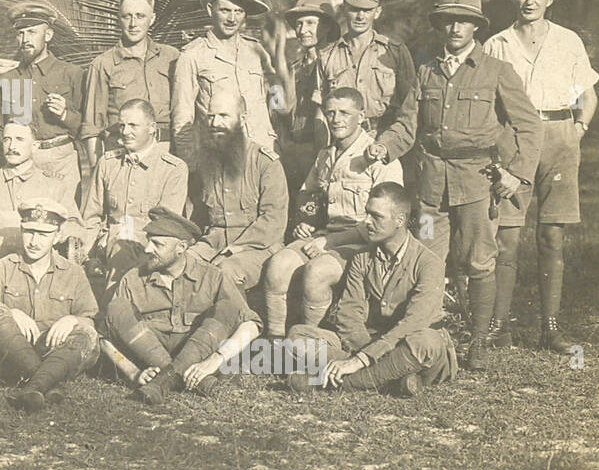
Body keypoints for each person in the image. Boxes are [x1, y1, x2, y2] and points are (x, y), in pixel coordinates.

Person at [372, 0, 541, 370]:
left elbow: (530, 127)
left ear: (476, 27)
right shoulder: (427, 73)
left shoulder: (498, 71)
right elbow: (406, 125)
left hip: (478, 183)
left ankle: (478, 342)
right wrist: (383, 147)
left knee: (480, 261)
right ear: (441, 25)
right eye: (449, 21)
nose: (455, 29)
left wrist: (516, 174)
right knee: (427, 258)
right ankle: (424, 341)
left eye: (464, 21)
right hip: (432, 188)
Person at [483, 0, 598, 352]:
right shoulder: (497, 43)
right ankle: (499, 329)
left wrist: (578, 129)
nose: (530, 0)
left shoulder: (568, 41)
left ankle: (551, 329)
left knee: (552, 235)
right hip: (513, 139)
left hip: (560, 136)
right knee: (507, 237)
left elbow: (588, 93)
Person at [284, 183, 457, 396]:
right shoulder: (362, 258)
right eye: (367, 213)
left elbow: (413, 323)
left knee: (426, 341)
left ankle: (323, 383)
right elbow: (349, 313)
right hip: (372, 343)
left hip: (412, 345)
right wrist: (368, 352)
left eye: (376, 216)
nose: (367, 222)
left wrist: (360, 360)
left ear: (400, 221)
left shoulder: (429, 263)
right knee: (297, 336)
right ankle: (391, 380)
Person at [260, 88, 402, 339]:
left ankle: (309, 342)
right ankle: (276, 343)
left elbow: (384, 220)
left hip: (364, 242)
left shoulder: (379, 158)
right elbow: (309, 193)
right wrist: (304, 223)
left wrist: (330, 242)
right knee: (277, 266)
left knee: (318, 272)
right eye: (330, 113)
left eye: (345, 113)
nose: (336, 119)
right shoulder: (326, 155)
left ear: (361, 115)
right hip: (324, 236)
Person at [105, 207, 261, 405]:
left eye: (157, 244)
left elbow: (252, 325)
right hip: (152, 354)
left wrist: (215, 360)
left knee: (227, 308)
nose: (147, 249)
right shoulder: (133, 278)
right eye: (148, 241)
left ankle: (163, 381)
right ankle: (187, 379)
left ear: (181, 248)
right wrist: (133, 372)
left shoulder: (212, 276)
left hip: (199, 351)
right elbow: (104, 335)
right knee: (116, 308)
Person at [0, 199, 99, 412]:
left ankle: (33, 386)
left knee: (85, 334)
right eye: (29, 232)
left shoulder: (73, 273)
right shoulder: (1, 268)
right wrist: (11, 312)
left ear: (58, 236)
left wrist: (72, 319)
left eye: (43, 234)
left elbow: (88, 318)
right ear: (21, 230)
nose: (34, 241)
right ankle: (46, 383)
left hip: (56, 352)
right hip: (12, 354)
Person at [81, 99, 189, 292]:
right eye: (122, 125)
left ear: (152, 128)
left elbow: (165, 226)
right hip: (107, 245)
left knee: (123, 248)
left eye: (133, 126)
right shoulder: (108, 163)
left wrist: (120, 233)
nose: (124, 132)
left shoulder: (173, 168)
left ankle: (110, 316)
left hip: (150, 246)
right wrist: (86, 255)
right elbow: (92, 215)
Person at [188, 88, 289, 291]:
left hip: (258, 246)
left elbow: (274, 221)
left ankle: (244, 322)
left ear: (242, 119)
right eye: (211, 116)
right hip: (214, 243)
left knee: (224, 272)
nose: (215, 123)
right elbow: (197, 216)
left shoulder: (264, 162)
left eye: (224, 116)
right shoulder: (206, 163)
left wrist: (234, 248)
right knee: (182, 266)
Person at [173, 0, 279, 166]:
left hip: (260, 153)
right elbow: (182, 118)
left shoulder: (257, 51)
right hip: (217, 157)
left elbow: (276, 100)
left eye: (238, 11)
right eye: (225, 10)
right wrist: (190, 164)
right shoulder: (192, 55)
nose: (232, 18)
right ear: (210, 10)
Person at [0, 120, 84, 273]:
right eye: (7, 139)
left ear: (34, 146)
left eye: (19, 140)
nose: (11, 146)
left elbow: (74, 225)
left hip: (42, 268)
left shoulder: (53, 185)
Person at [0, 1, 85, 195]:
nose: (25, 39)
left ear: (48, 35)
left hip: (61, 161)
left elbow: (88, 126)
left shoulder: (72, 74)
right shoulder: (4, 80)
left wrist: (65, 114)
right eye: (20, 33)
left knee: (64, 218)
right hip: (20, 162)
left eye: (32, 32)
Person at [80, 0, 180, 169]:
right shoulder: (103, 64)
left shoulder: (172, 57)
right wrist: (98, 174)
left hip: (167, 151)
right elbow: (92, 128)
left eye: (140, 16)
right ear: (119, 19)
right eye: (127, 16)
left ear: (152, 18)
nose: (133, 24)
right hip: (123, 154)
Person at [317, 0, 417, 143]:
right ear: (344, 8)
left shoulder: (395, 52)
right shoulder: (327, 55)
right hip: (341, 142)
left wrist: (390, 144)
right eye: (355, 9)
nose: (360, 16)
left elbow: (410, 108)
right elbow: (320, 110)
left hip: (384, 140)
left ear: (377, 12)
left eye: (367, 10)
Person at [279, 0, 338, 193]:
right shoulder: (294, 67)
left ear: (327, 26)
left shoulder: (337, 63)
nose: (303, 30)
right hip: (295, 151)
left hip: (326, 150)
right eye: (299, 23)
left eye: (311, 23)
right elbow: (281, 110)